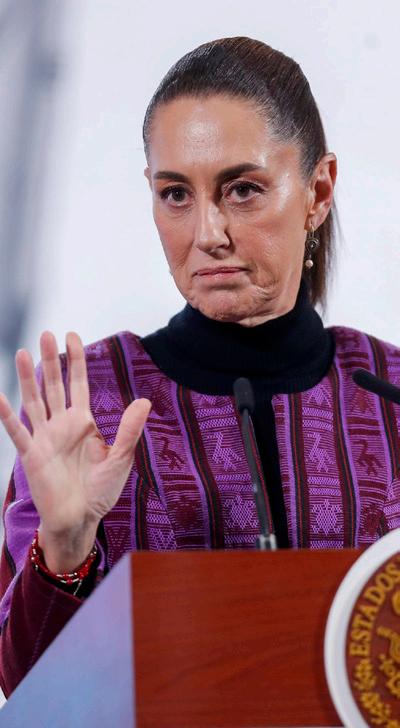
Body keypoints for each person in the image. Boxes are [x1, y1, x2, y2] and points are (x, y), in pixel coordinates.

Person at [0, 35, 399, 698]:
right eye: (176, 194)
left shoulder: (389, 395)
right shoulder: (89, 404)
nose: (208, 233)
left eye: (243, 190)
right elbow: (31, 689)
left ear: (318, 190)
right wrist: (65, 548)